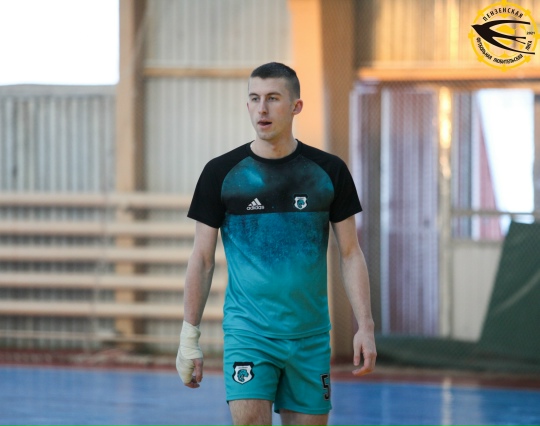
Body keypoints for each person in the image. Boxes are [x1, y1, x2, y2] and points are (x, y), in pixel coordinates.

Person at [176, 62, 377, 426]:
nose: (262, 109)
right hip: (249, 334)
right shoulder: (221, 173)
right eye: (254, 99)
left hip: (310, 337)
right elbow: (201, 260)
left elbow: (351, 254)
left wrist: (365, 325)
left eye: (272, 98)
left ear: (296, 106)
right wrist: (189, 336)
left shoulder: (329, 171)